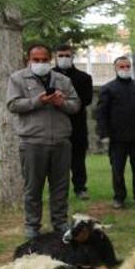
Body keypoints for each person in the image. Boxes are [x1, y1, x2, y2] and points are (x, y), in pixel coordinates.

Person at [7, 44, 80, 239]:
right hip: (33, 142)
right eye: (36, 60)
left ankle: (59, 222)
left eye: (44, 59)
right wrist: (38, 101)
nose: (40, 63)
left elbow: (75, 105)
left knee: (60, 186)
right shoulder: (17, 78)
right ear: (28, 60)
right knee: (33, 187)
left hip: (60, 142)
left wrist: (61, 103)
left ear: (50, 59)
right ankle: (32, 225)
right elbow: (13, 104)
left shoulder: (63, 79)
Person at [96, 56, 135, 209]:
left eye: (127, 66)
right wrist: (103, 134)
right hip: (116, 138)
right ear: (115, 68)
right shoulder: (107, 89)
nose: (125, 69)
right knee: (117, 170)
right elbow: (101, 113)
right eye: (121, 67)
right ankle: (119, 197)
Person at [53, 44, 93, 200]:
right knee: (56, 160)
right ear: (56, 57)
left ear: (72, 57)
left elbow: (87, 100)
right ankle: (58, 190)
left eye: (67, 55)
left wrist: (65, 101)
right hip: (55, 123)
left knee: (78, 159)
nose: (64, 58)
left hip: (77, 124)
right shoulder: (49, 75)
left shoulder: (83, 78)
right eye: (60, 55)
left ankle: (80, 187)